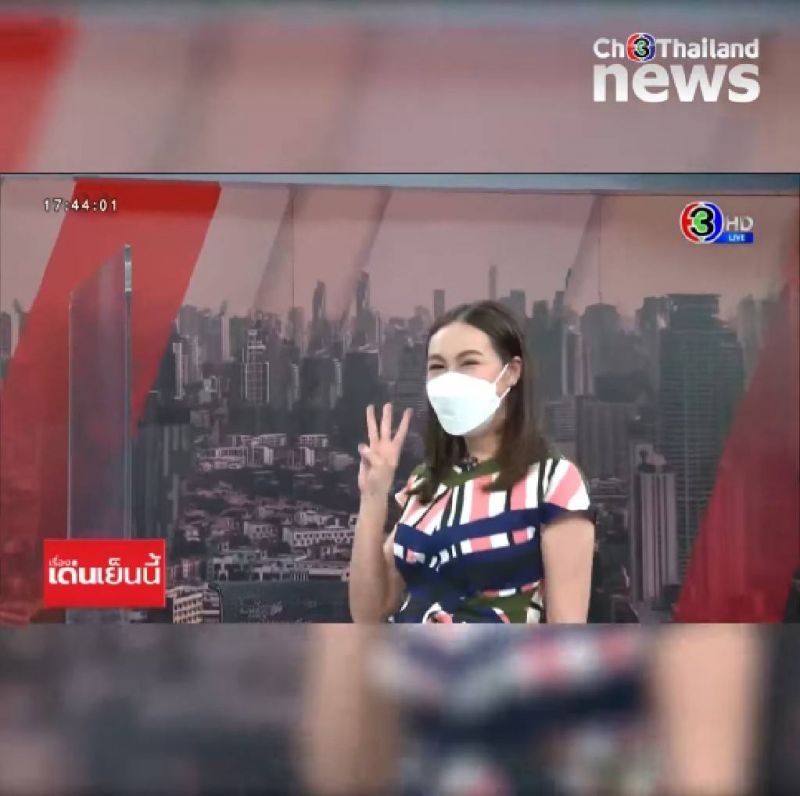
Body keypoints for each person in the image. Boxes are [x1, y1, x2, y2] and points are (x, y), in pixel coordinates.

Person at [349, 300, 595, 624]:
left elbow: (566, 631)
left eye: (468, 363)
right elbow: (369, 614)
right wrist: (372, 497)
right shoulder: (423, 482)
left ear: (512, 373)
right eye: (437, 366)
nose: (450, 380)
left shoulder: (553, 481)